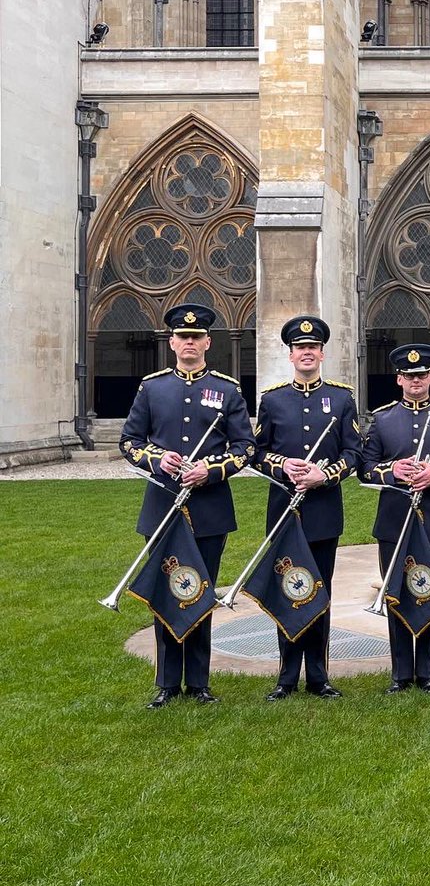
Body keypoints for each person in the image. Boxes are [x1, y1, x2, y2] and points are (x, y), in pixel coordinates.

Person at [119, 302, 254, 708]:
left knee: (201, 593)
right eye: (183, 337)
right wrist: (157, 461)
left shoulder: (228, 389)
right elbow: (129, 441)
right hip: (162, 505)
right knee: (165, 592)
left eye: (197, 337)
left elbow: (244, 448)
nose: (190, 343)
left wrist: (209, 472)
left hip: (209, 509)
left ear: (208, 342)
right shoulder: (152, 386)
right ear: (172, 342)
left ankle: (199, 682)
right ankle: (166, 683)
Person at [253, 315, 362, 701]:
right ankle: (286, 676)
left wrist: (324, 475)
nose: (307, 353)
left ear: (322, 353)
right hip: (284, 511)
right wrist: (281, 465)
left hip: (322, 511)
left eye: (313, 348)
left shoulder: (342, 398)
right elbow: (255, 453)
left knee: (319, 591)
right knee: (287, 589)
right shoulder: (272, 398)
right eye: (300, 348)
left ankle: (318, 675)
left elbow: (354, 453)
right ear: (290, 354)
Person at [360, 343, 430, 694]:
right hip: (393, 522)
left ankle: (427, 672)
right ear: (399, 379)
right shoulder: (382, 419)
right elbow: (364, 469)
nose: (416, 381)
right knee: (396, 594)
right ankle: (400, 672)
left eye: (422, 375)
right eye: (409, 376)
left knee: (429, 592)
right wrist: (393, 472)